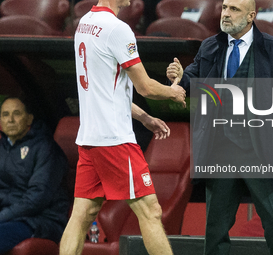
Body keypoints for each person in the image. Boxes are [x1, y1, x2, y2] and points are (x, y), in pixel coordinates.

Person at [167, 0, 273, 254]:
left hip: (263, 152)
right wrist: (179, 78)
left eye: (234, 9)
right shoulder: (210, 46)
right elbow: (192, 76)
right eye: (224, 8)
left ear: (251, 16)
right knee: (215, 230)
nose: (226, 14)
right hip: (220, 150)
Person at [59, 0, 186, 255]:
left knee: (82, 215)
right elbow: (146, 87)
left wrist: (144, 118)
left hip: (90, 138)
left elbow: (105, 91)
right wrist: (173, 92)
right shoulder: (117, 29)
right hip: (114, 140)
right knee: (150, 210)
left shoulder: (84, 24)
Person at [0, 96, 70, 253]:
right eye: (5, 114)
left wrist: (2, 216)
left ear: (29, 118)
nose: (10, 119)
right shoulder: (1, 149)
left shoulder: (46, 148)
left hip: (40, 220)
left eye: (16, 113)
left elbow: (37, 198)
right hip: (7, 218)